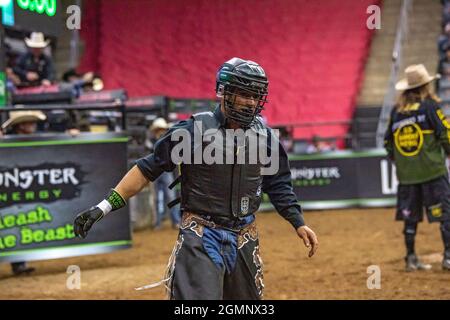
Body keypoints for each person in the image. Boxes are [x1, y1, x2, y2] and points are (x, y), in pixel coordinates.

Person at [73, 57, 318, 300]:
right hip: (202, 235)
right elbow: (147, 169)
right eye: (245, 94)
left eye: (255, 96)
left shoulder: (264, 137)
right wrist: (103, 207)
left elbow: (278, 184)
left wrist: (298, 221)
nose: (251, 103)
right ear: (225, 93)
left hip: (245, 235)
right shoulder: (192, 130)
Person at [384, 64, 450, 272]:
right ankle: (448, 257)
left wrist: (402, 163)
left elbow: (387, 143)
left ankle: (411, 258)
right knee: (446, 214)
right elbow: (446, 133)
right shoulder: (430, 106)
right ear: (425, 86)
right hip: (433, 172)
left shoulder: (397, 112)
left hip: (407, 177)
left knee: (410, 217)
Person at [1, 110, 47, 275]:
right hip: (8, 185)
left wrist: (71, 134)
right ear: (20, 125)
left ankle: (19, 263)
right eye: (29, 122)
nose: (33, 126)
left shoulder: (37, 138)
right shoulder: (5, 139)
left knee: (17, 223)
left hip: (19, 187)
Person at [147, 118, 181, 229]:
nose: (160, 131)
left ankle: (175, 221)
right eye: (159, 129)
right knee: (156, 198)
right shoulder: (150, 142)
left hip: (166, 171)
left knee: (170, 197)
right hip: (154, 172)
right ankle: (157, 223)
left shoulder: (168, 140)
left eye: (162, 129)